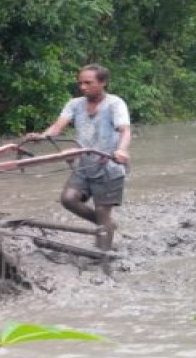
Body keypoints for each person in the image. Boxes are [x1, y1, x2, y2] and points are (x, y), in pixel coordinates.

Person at [26, 64, 131, 250]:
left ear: (103, 82)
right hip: (84, 163)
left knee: (102, 211)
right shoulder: (74, 104)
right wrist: (42, 136)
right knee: (69, 199)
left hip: (109, 165)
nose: (83, 87)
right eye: (80, 83)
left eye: (88, 83)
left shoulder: (115, 104)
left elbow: (125, 130)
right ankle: (107, 226)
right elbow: (57, 128)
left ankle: (103, 254)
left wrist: (121, 150)